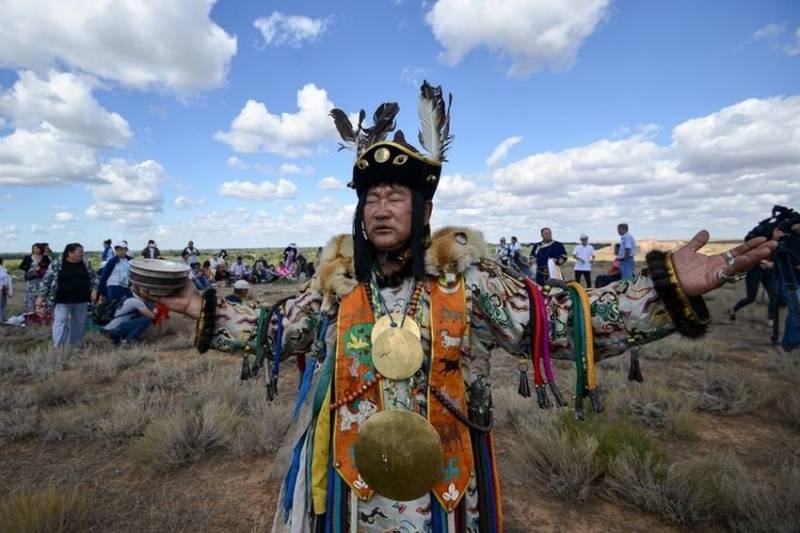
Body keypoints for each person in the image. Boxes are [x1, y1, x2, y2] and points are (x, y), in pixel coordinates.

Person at [141, 82, 775, 532]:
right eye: (371, 198)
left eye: (395, 196)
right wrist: (198, 303)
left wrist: (664, 289)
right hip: (347, 490)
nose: (380, 208)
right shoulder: (338, 288)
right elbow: (274, 333)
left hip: (439, 491)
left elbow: (556, 329)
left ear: (423, 211)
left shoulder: (465, 283)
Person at [37, 242, 99, 348]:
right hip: (62, 300)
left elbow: (94, 277)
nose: (82, 254)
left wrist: (94, 290)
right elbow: (47, 280)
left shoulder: (85, 263)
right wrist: (41, 297)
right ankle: (59, 346)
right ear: (70, 253)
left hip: (81, 300)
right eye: (80, 252)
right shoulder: (57, 264)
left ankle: (76, 345)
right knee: (60, 322)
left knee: (79, 324)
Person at [19, 243, 47, 311]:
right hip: (31, 281)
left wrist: (40, 269)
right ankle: (31, 314)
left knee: (41, 298)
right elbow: (21, 266)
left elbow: (49, 268)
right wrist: (28, 269)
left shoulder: (45, 258)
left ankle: (40, 315)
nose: (35, 250)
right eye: (34, 248)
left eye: (37, 248)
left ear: (41, 249)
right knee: (30, 299)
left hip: (41, 281)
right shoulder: (27, 257)